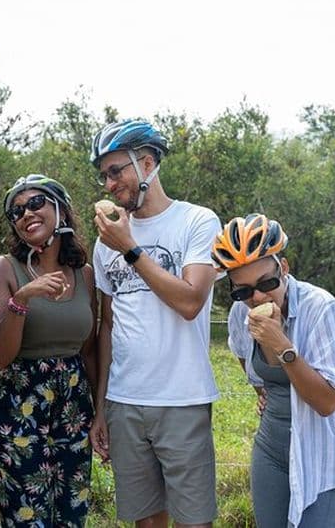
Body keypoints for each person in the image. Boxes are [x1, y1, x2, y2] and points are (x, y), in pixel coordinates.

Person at [88, 120, 221, 528]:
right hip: (125, 402)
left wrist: (129, 248)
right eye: (103, 175)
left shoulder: (197, 222)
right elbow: (107, 325)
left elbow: (190, 301)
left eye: (117, 171)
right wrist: (101, 407)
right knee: (146, 522)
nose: (109, 184)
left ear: (147, 164)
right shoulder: (104, 240)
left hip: (181, 399)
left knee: (193, 521)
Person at [213, 213, 335, 527]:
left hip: (325, 453)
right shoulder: (240, 314)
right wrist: (263, 392)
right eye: (243, 291)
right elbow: (245, 358)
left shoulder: (322, 309)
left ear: (284, 268)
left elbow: (326, 402)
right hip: (272, 451)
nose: (258, 297)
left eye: (267, 283)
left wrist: (282, 346)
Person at [0, 174, 97, 527]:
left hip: (73, 402)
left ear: (61, 208)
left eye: (35, 203)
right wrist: (22, 299)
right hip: (17, 401)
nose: (25, 213)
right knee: (28, 514)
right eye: (16, 211)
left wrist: (100, 411)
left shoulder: (84, 275)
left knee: (72, 512)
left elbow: (88, 351)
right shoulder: (3, 269)